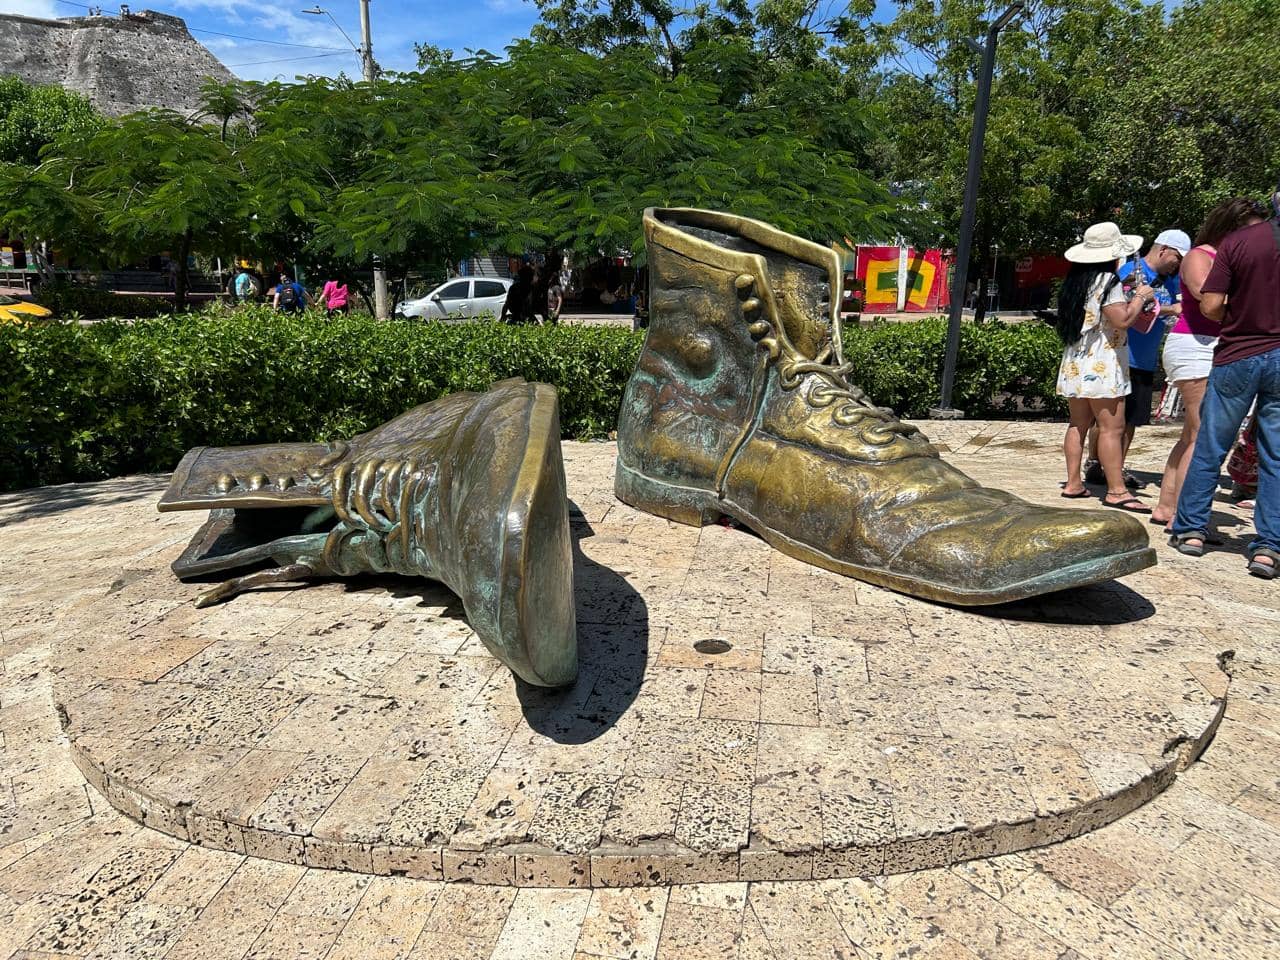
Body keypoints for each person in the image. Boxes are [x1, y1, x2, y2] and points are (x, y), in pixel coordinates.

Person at [1170, 187, 1280, 577]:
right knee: (1275, 455)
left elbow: (1211, 304)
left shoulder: (1239, 242)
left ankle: (1191, 531)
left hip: (1239, 353)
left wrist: (1242, 312)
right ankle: (1268, 548)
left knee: (1210, 443)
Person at [1152, 199, 1268, 527]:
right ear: (1229, 225)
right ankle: (1186, 515)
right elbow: (1207, 296)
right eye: (1250, 229)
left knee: (1191, 433)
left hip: (1214, 346)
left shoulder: (1234, 257)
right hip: (1195, 345)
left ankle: (1168, 506)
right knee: (1203, 433)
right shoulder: (1200, 255)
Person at [1054, 222, 1156, 511]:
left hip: (1076, 361)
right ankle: (1116, 490)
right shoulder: (1107, 283)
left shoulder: (1077, 283)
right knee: (1112, 427)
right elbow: (1121, 319)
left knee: (1078, 424)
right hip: (1102, 363)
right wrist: (1139, 298)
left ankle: (1073, 482)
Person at [1081, 229, 1188, 488]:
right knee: (1107, 418)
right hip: (1121, 355)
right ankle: (1096, 462)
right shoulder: (1131, 272)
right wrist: (1169, 309)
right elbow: (1124, 312)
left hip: (1146, 359)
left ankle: (1116, 467)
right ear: (1164, 250)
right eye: (1177, 257)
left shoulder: (1170, 280)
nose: (1179, 264)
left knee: (1131, 420)